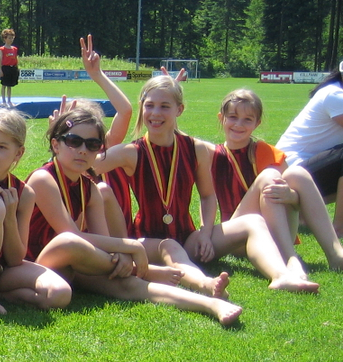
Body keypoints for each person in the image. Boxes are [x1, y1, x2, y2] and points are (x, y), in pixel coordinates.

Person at [95, 75, 318, 293]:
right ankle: (205, 284)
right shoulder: (130, 152)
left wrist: (205, 233)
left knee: (253, 221)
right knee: (170, 246)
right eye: (150, 105)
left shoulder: (195, 148)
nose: (155, 113)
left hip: (189, 239)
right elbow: (87, 165)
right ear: (142, 108)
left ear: (179, 110)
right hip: (148, 243)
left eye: (164, 106)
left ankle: (281, 276)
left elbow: (207, 196)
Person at [26, 107, 243, 325]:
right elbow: (72, 236)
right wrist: (131, 247)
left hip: (70, 267)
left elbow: (104, 243)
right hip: (35, 265)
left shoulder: (89, 188)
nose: (83, 150)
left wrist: (120, 254)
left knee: (129, 285)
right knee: (69, 242)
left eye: (92, 145)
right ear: (56, 145)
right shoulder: (43, 178)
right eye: (74, 142)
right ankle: (144, 270)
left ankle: (210, 304)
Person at [0, 107, 72, 313]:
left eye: (1, 147)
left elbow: (15, 259)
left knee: (59, 293)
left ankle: (0, 294)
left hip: (2, 271)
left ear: (18, 153)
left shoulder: (24, 193)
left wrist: (9, 218)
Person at [214, 89, 343, 273]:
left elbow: (296, 204)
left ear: (257, 123)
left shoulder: (270, 153)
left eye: (247, 119)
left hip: (276, 232)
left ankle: (335, 254)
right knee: (269, 177)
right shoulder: (212, 154)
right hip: (236, 236)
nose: (239, 124)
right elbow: (206, 198)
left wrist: (290, 196)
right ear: (222, 118)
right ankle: (288, 258)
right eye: (233, 117)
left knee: (298, 173)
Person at [276, 61, 343, 235]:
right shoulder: (335, 95)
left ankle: (302, 214)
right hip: (290, 170)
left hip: (299, 169)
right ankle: (339, 227)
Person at [0, 28, 19, 107]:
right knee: (4, 85)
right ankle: (3, 101)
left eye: (12, 38)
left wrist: (17, 68)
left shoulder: (14, 49)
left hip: (12, 68)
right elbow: (0, 60)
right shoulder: (2, 49)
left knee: (10, 86)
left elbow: (15, 59)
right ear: (5, 38)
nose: (11, 40)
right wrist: (0, 70)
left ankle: (9, 101)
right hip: (5, 68)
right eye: (9, 38)